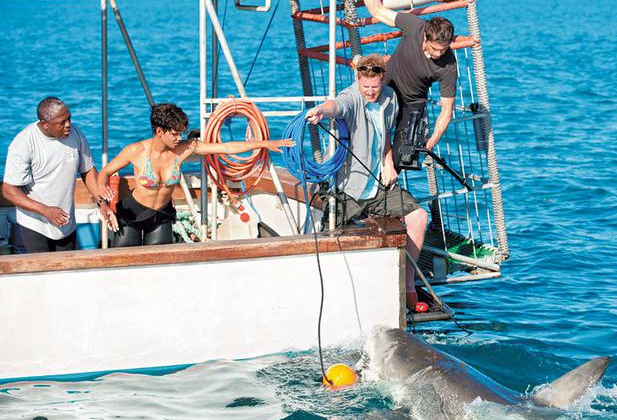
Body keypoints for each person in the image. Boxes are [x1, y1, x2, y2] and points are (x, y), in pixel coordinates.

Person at [306, 54, 428, 311]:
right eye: (366, 87)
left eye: (375, 87)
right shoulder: (351, 97)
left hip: (379, 186)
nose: (370, 92)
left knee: (418, 217)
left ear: (382, 80)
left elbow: (384, 135)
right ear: (358, 80)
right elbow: (336, 106)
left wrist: (388, 163)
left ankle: (408, 282)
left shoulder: (389, 98)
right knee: (328, 236)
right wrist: (319, 110)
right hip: (349, 188)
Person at [98, 103, 293, 247]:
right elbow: (104, 172)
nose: (179, 138)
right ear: (159, 131)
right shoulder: (136, 151)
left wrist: (265, 144)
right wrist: (104, 204)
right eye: (174, 134)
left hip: (161, 215)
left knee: (158, 263)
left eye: (181, 133)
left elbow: (225, 148)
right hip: (133, 214)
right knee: (125, 260)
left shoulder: (185, 148)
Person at [360, 0, 458, 165]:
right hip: (386, 89)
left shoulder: (449, 65)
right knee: (368, 141)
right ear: (425, 37)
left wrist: (432, 141)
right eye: (435, 49)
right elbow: (378, 11)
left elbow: (447, 110)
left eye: (443, 49)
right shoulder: (415, 26)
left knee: (402, 157)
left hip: (412, 105)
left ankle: (388, 187)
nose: (439, 54)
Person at [2, 97, 112, 253]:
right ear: (45, 124)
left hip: (66, 223)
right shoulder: (24, 142)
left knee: (66, 273)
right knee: (42, 273)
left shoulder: (76, 134)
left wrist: (102, 204)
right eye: (62, 122)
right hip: (35, 225)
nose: (68, 125)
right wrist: (45, 210)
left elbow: (88, 171)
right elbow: (9, 190)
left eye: (69, 119)